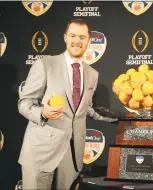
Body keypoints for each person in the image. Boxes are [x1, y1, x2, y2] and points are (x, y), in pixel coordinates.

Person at [18, 19, 120, 190]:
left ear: (89, 40)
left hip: (72, 154)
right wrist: (43, 113)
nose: (77, 41)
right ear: (65, 37)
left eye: (82, 37)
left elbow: (87, 109)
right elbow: (24, 103)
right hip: (40, 151)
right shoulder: (45, 65)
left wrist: (125, 118)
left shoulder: (92, 74)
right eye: (72, 36)